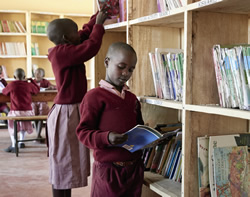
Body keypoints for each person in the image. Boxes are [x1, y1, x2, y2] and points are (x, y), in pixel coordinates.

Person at [46, 8, 108, 197]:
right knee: (63, 163)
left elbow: (83, 34)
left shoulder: (66, 46)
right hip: (66, 113)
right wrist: (99, 25)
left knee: (68, 162)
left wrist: (97, 16)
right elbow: (90, 47)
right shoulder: (61, 53)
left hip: (71, 110)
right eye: (74, 33)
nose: (78, 34)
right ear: (66, 38)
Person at [76, 42, 145, 197]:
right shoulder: (94, 97)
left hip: (134, 170)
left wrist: (149, 138)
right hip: (108, 170)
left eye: (131, 69)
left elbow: (139, 127)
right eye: (121, 66)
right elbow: (83, 132)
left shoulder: (132, 98)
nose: (126, 73)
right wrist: (106, 137)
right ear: (107, 62)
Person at [2, 68, 40, 153]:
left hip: (15, 112)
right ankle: (22, 142)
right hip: (28, 112)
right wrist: (32, 81)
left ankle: (14, 144)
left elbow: (4, 92)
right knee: (24, 124)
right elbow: (37, 89)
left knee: (11, 124)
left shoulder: (12, 85)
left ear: (14, 76)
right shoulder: (28, 85)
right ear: (24, 77)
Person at [32, 67, 56, 140]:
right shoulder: (32, 81)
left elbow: (54, 87)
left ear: (43, 75)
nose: (37, 75)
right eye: (36, 73)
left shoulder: (45, 82)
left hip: (42, 102)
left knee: (40, 117)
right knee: (34, 117)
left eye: (39, 73)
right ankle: (38, 134)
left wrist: (51, 88)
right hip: (34, 102)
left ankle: (38, 135)